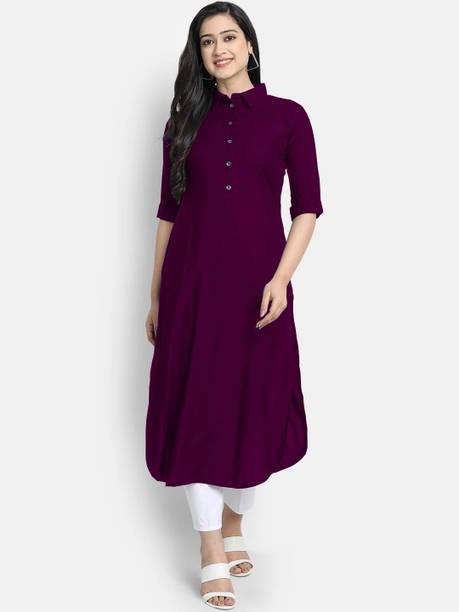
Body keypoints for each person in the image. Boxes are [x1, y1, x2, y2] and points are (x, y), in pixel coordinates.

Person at [145, 3, 324, 609]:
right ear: (198, 54)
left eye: (229, 37)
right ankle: (209, 549)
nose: (219, 49)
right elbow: (168, 213)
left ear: (249, 44)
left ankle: (233, 523)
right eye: (206, 41)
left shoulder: (288, 117)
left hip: (257, 291)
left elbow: (307, 208)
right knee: (195, 410)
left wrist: (282, 278)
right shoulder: (183, 122)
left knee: (255, 409)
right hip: (191, 289)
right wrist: (155, 294)